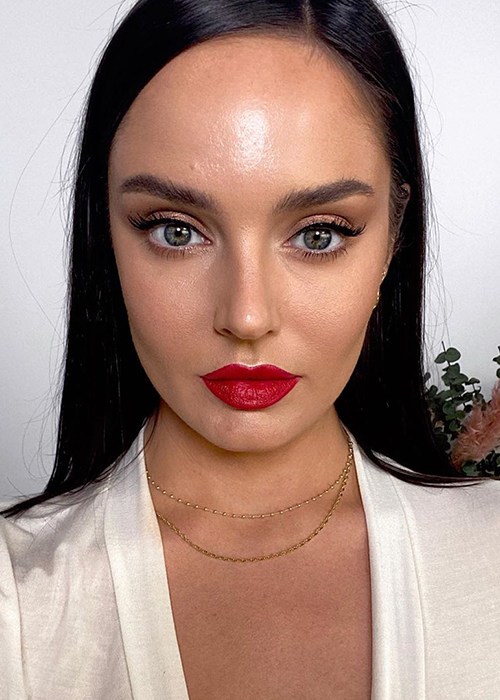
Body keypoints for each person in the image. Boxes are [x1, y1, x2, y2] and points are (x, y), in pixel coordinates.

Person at [1, 1, 499, 698]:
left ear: (392, 235)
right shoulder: (18, 604)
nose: (246, 317)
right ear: (106, 234)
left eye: (319, 235)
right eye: (175, 231)